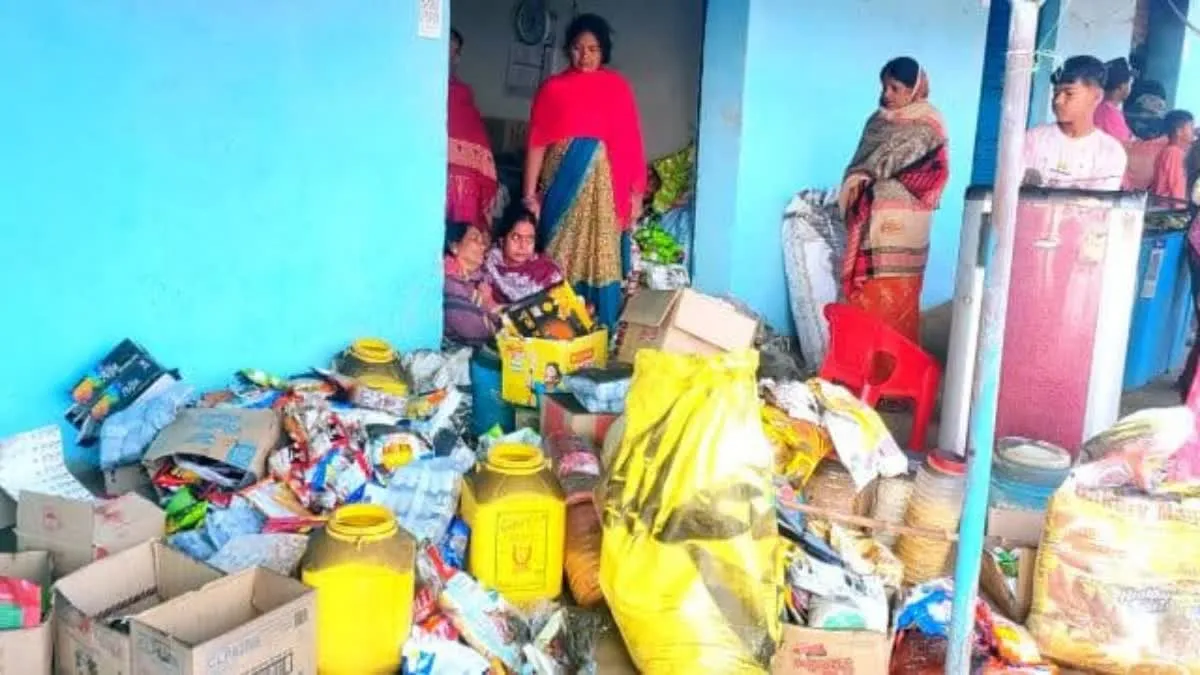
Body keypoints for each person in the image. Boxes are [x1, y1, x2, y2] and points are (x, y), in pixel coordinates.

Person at [522, 13, 646, 330]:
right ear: (568, 50)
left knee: (602, 255)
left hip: (608, 192)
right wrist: (529, 195)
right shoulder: (553, 89)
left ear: (603, 50)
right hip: (561, 188)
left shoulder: (617, 88)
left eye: (592, 49)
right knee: (557, 253)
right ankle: (554, 328)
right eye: (578, 48)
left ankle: (601, 330)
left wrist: (636, 194)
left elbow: (631, 142)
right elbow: (537, 143)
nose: (585, 56)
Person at [837, 57, 950, 343]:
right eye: (884, 87)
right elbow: (859, 165)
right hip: (869, 224)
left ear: (914, 90)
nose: (886, 94)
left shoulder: (929, 126)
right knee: (866, 300)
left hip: (906, 229)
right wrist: (860, 183)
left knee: (899, 298)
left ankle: (896, 363)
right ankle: (861, 363)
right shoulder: (876, 122)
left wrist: (881, 183)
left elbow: (933, 177)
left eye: (895, 88)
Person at [1023, 56, 1128, 190]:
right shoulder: (1034, 139)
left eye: (1069, 93)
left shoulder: (1110, 152)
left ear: (1097, 96)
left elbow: (1098, 202)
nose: (1058, 101)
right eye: (1056, 92)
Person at [446, 28, 499, 232]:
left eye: (454, 51)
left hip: (459, 195)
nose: (450, 56)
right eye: (446, 48)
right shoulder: (413, 91)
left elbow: (478, 144)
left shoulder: (462, 94)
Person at [483, 207, 565, 304]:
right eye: (516, 237)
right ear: (502, 240)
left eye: (529, 239)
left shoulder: (548, 274)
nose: (523, 246)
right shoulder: (487, 264)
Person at [443, 221, 501, 344]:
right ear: (454, 247)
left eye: (482, 241)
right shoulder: (450, 283)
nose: (483, 246)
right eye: (475, 239)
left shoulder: (482, 280)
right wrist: (489, 305)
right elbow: (475, 333)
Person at [1149, 110, 1195, 204]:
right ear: (1179, 131)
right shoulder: (1174, 153)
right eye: (1191, 127)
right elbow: (1177, 188)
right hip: (1167, 208)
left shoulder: (1170, 151)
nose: (1194, 131)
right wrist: (1182, 210)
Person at [1094, 57, 1134, 143]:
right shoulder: (1109, 114)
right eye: (1128, 82)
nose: (1130, 85)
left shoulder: (1095, 107)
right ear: (1121, 86)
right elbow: (1125, 147)